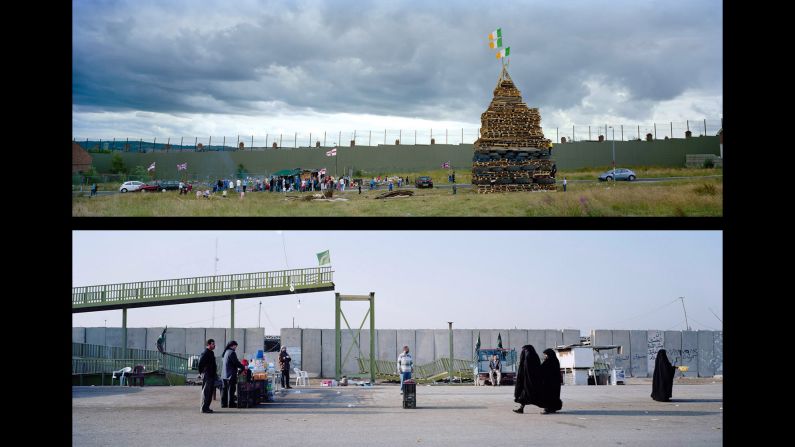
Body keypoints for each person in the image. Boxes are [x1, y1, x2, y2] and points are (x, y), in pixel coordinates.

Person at [513, 344, 543, 414]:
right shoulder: (534, 355)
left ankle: (547, 407)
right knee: (524, 395)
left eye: (525, 350)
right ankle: (521, 408)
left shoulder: (529, 356)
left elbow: (527, 369)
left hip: (530, 380)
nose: (523, 351)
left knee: (535, 396)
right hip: (530, 380)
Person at [221, 340, 244, 408]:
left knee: (225, 390)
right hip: (230, 374)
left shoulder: (226, 352)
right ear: (232, 345)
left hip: (224, 375)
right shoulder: (232, 352)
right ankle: (231, 403)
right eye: (235, 346)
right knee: (231, 390)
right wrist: (242, 367)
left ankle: (224, 404)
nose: (236, 348)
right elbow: (236, 362)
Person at [540, 348, 563, 414]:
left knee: (547, 395)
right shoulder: (555, 360)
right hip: (555, 382)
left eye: (546, 355)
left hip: (548, 382)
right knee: (554, 395)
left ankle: (547, 409)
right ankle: (553, 408)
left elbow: (542, 368)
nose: (545, 356)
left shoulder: (548, 361)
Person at [198, 338, 217, 413]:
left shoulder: (211, 353)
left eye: (214, 344)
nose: (214, 345)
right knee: (206, 392)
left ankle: (207, 407)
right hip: (207, 375)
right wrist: (202, 373)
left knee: (210, 392)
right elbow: (200, 364)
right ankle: (204, 408)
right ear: (208, 345)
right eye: (212, 344)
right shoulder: (205, 353)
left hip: (212, 375)